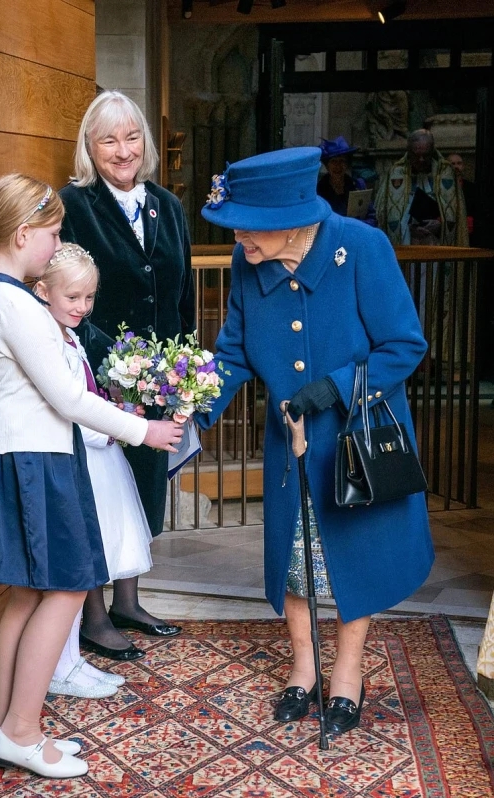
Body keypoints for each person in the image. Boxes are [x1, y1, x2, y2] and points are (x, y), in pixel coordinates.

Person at [0, 174, 183, 779]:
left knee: (27, 592)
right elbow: (69, 398)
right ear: (23, 234)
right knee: (69, 589)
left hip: (21, 455)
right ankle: (21, 730)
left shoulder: (5, 294)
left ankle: (5, 726)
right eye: (51, 235)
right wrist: (142, 430)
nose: (56, 244)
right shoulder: (13, 302)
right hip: (31, 461)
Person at [198, 148, 434, 735]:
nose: (239, 239)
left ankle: (348, 676)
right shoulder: (248, 259)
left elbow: (404, 346)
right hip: (292, 445)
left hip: (356, 439)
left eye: (247, 225)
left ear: (291, 217)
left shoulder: (361, 248)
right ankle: (304, 671)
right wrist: (187, 413)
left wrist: (334, 388)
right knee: (297, 564)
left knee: (351, 555)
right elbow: (232, 352)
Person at [58, 90, 195, 660]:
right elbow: (63, 288)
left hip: (158, 379)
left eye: (132, 137)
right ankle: (92, 615)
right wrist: (111, 363)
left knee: (143, 484)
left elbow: (181, 289)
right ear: (90, 148)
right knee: (100, 491)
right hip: (99, 374)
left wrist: (181, 369)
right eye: (109, 139)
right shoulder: (74, 203)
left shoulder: (167, 204)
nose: (123, 150)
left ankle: (128, 601)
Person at [33, 243, 154, 698]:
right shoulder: (46, 338)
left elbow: (85, 394)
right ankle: (62, 665)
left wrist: (115, 410)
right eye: (73, 298)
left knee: (85, 564)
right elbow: (62, 408)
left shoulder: (71, 335)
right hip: (77, 454)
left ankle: (70, 661)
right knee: (73, 569)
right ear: (44, 292)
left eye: (89, 298)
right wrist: (112, 429)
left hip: (96, 454)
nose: (83, 307)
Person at [375, 128, 469, 246]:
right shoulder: (395, 174)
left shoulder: (446, 174)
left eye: (426, 155)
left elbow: (457, 216)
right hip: (406, 245)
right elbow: (383, 215)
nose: (421, 160)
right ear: (409, 152)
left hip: (438, 246)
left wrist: (441, 224)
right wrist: (408, 227)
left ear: (432, 151)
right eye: (416, 155)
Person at [316, 136, 377, 225]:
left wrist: (359, 226)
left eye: (341, 161)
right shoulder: (319, 190)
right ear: (327, 166)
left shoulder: (358, 185)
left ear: (347, 164)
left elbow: (372, 217)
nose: (338, 166)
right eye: (334, 162)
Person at [447, 152, 477, 242]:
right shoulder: (441, 187)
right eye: (452, 164)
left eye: (459, 163)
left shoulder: (473, 188)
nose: (456, 167)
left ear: (463, 166)